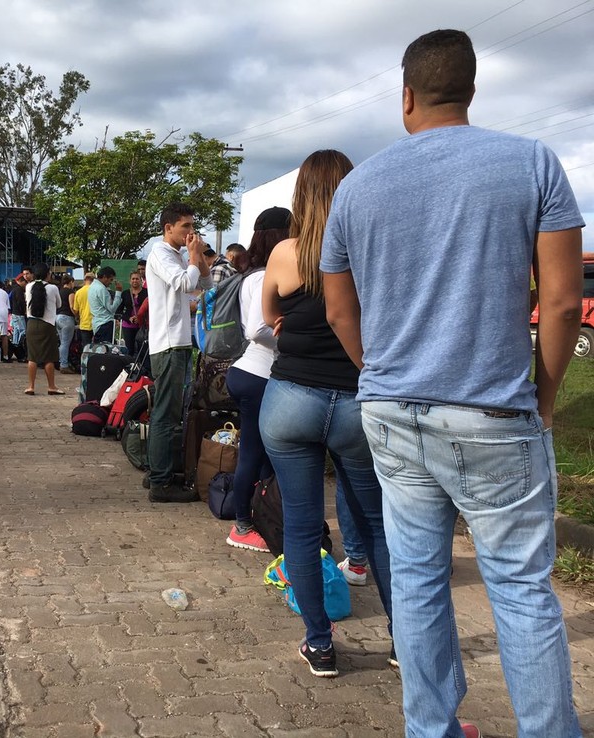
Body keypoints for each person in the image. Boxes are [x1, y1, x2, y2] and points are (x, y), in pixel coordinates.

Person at [321, 29, 583, 738]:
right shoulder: (531, 163)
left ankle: (430, 728)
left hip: (392, 411)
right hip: (494, 413)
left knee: (417, 581)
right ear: (470, 90)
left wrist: (376, 365)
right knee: (522, 590)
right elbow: (561, 302)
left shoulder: (356, 187)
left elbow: (340, 308)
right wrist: (547, 396)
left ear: (405, 96)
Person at [259, 150, 392, 680]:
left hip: (291, 398)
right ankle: (404, 639)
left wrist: (290, 326)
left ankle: (319, 645)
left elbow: (269, 316)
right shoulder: (369, 248)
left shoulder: (286, 253)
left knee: (302, 522)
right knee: (377, 525)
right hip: (357, 400)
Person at [223, 206, 289, 552]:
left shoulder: (252, 275)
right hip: (259, 373)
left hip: (250, 372)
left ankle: (258, 516)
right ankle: (243, 525)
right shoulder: (265, 277)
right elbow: (256, 329)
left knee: (260, 451)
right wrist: (294, 340)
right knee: (252, 451)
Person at [145, 203, 211, 502]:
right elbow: (185, 282)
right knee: (166, 414)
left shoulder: (177, 255)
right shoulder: (160, 253)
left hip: (177, 342)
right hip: (169, 343)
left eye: (192, 227)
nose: (190, 233)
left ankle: (158, 471)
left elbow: (206, 285)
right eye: (185, 226)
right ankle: (161, 482)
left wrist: (198, 259)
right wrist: (195, 258)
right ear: (167, 227)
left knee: (170, 412)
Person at [23, 263, 64, 396]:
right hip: (47, 325)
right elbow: (59, 304)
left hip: (31, 324)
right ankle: (51, 387)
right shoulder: (53, 288)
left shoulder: (28, 286)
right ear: (48, 274)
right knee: (49, 357)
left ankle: (31, 386)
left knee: (32, 357)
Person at [88, 266, 123, 343]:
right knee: (106, 350)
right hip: (105, 324)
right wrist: (118, 292)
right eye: (110, 279)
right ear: (104, 277)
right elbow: (112, 308)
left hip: (97, 324)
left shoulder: (92, 287)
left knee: (100, 349)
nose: (111, 283)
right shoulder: (101, 289)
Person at [118, 272, 147, 355]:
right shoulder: (125, 294)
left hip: (142, 325)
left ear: (141, 281)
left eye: (137, 279)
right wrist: (129, 318)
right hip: (128, 325)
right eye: (133, 279)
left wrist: (140, 318)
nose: (135, 281)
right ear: (130, 281)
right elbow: (119, 310)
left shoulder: (146, 293)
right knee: (130, 349)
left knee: (142, 348)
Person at [56, 274, 78, 373]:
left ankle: (61, 362)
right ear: (70, 282)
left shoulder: (59, 291)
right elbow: (72, 306)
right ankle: (64, 365)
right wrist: (77, 315)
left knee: (62, 342)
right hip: (67, 318)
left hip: (58, 317)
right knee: (65, 343)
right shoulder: (70, 292)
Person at [72, 272, 95, 350]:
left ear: (85, 280)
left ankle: (85, 361)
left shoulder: (78, 292)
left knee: (86, 347)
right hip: (96, 323)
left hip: (84, 323)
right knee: (97, 347)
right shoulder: (97, 290)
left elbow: (75, 310)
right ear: (93, 280)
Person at [9, 273, 28, 356]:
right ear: (21, 281)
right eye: (25, 282)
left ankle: (15, 347)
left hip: (14, 313)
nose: (26, 284)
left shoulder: (14, 289)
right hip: (19, 314)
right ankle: (20, 347)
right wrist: (24, 311)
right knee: (23, 331)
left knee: (16, 331)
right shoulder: (19, 290)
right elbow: (21, 302)